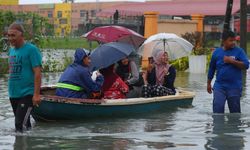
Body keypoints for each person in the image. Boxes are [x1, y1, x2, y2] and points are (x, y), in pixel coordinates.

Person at [8, 23, 42, 132]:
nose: (10, 38)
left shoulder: (31, 50)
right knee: (24, 125)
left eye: (13, 35)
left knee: (19, 125)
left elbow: (37, 72)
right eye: (9, 35)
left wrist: (36, 94)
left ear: (22, 35)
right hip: (13, 94)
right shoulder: (11, 51)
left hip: (27, 93)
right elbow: (11, 71)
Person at [207, 30, 249, 113]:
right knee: (217, 109)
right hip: (219, 86)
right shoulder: (216, 52)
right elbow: (211, 68)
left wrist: (232, 61)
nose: (233, 42)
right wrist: (208, 83)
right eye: (230, 40)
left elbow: (246, 65)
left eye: (234, 40)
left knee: (235, 113)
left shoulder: (239, 51)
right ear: (223, 41)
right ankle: (218, 126)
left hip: (234, 87)